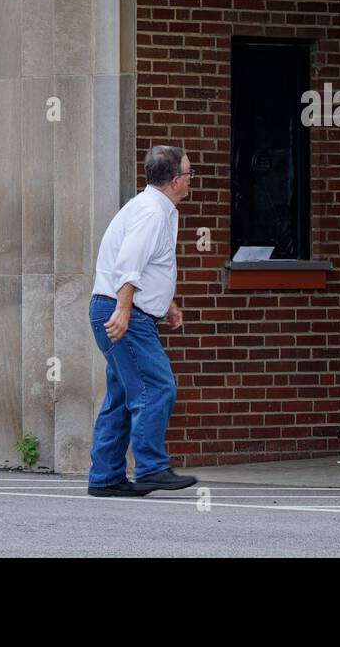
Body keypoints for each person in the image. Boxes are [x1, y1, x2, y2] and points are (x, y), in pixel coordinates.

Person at [86, 145, 198, 497]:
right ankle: (151, 468)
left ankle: (105, 478)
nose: (192, 179)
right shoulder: (152, 212)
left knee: (121, 395)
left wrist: (166, 303)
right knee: (157, 386)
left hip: (122, 307)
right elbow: (129, 264)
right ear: (177, 180)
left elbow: (149, 265)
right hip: (123, 313)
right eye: (190, 174)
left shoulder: (154, 207)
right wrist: (124, 310)